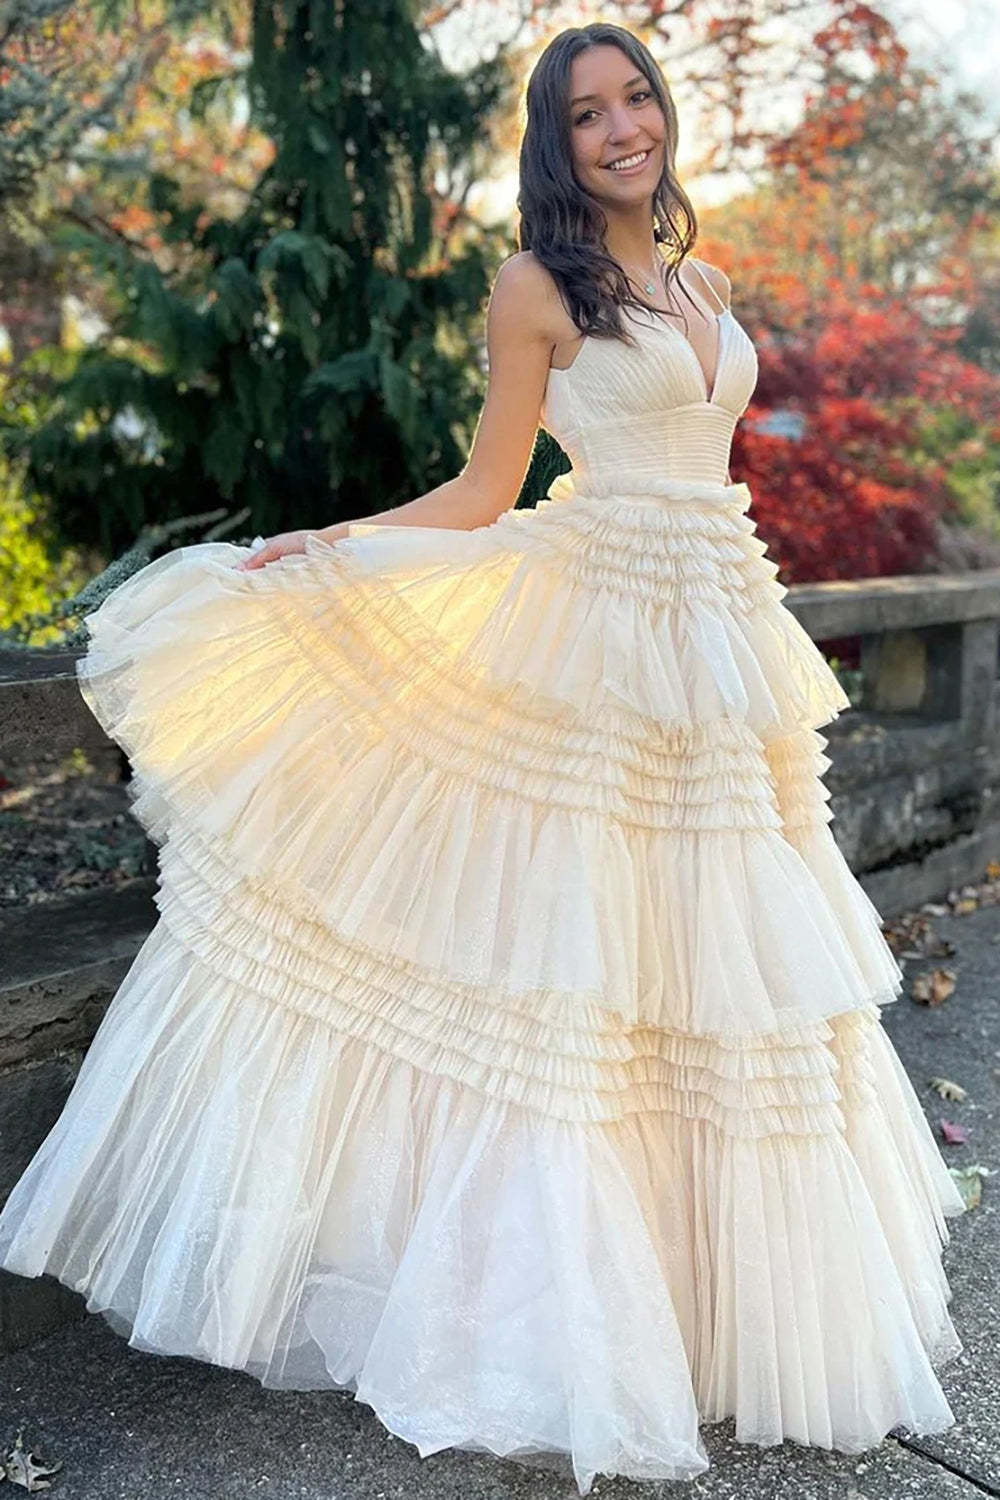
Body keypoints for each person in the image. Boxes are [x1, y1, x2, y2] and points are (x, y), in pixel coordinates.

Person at [0, 21, 965, 1497]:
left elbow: (713, 473)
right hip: (595, 638)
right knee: (571, 986)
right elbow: (485, 485)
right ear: (555, 140)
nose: (623, 125)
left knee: (716, 984)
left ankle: (709, 1303)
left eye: (637, 95)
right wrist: (325, 549)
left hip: (713, 654)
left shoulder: (703, 279)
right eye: (588, 112)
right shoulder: (539, 285)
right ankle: (557, 1317)